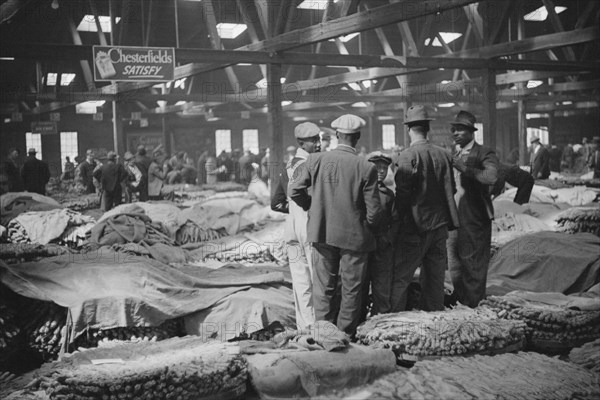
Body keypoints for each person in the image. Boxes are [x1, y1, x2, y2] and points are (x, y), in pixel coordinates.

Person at [290, 114, 383, 336]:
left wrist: (312, 208)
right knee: (352, 290)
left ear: (337, 135)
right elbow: (374, 212)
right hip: (355, 237)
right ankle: (345, 335)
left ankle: (323, 333)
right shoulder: (366, 167)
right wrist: (372, 228)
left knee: (323, 287)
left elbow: (294, 190)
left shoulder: (315, 160)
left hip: (322, 233)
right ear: (357, 137)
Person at [391, 106, 459, 312]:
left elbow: (402, 197)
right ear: (427, 128)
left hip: (414, 228)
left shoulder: (407, 155)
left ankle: (394, 322)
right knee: (435, 279)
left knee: (400, 278)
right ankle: (433, 323)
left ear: (409, 129)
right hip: (439, 227)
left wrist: (394, 222)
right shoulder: (444, 155)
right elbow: (452, 189)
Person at [447, 110, 499, 308]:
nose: (456, 133)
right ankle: (462, 305)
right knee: (455, 267)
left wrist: (465, 169)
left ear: (471, 132)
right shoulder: (455, 153)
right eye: (454, 129)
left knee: (474, 268)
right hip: (453, 220)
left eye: (461, 129)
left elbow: (491, 177)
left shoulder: (484, 153)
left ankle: (474, 310)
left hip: (474, 220)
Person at [281, 122, 322, 329]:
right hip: (308, 225)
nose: (318, 144)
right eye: (313, 140)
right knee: (317, 278)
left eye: (318, 139)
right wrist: (307, 206)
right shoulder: (311, 164)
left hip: (292, 227)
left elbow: (277, 200)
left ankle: (305, 327)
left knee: (300, 281)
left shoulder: (288, 165)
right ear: (300, 143)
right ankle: (319, 326)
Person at [363, 151, 395, 317]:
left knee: (382, 288)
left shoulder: (389, 195)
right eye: (377, 167)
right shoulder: (360, 191)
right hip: (362, 244)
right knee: (360, 287)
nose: (381, 170)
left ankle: (379, 321)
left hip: (382, 246)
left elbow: (393, 220)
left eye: (385, 167)